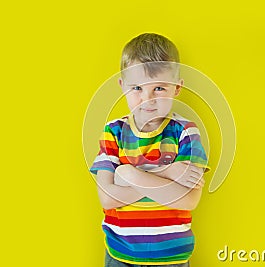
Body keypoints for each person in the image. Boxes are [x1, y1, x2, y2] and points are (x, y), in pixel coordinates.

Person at [90, 33, 210, 267]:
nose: (147, 99)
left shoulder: (185, 132)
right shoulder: (113, 132)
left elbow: (187, 200)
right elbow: (107, 198)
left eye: (158, 88)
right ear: (122, 86)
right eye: (137, 88)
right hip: (119, 254)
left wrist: (128, 176)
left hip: (172, 258)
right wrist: (167, 173)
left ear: (176, 88)